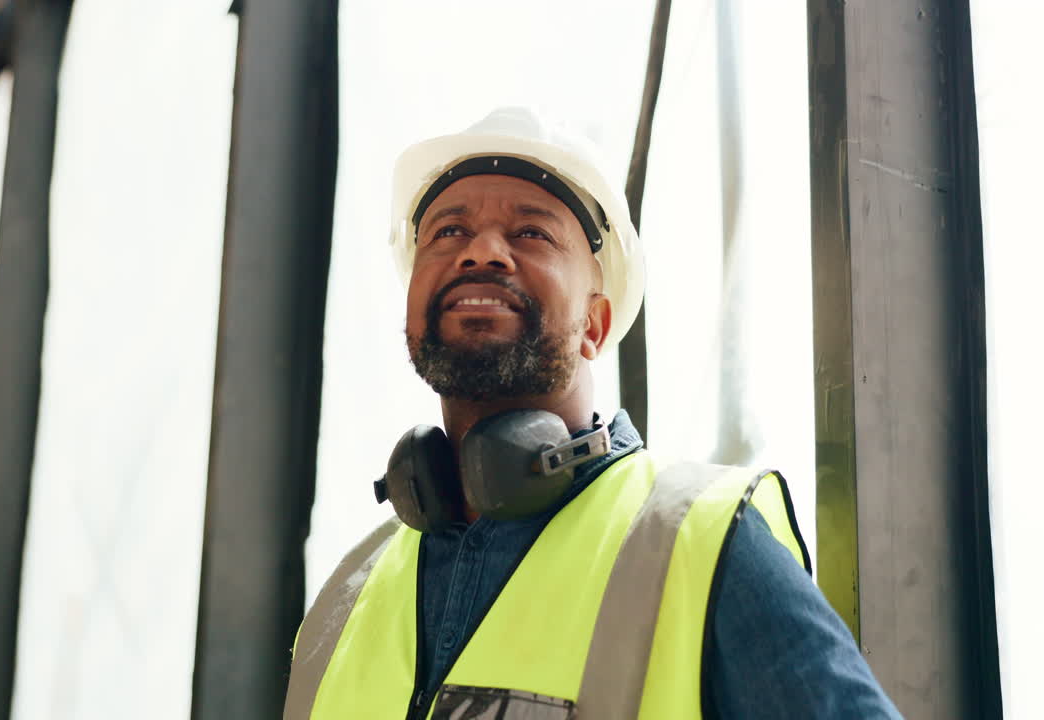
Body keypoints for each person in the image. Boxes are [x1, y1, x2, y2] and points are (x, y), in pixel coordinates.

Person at [282, 108, 902, 719]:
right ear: (414, 307)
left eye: (531, 233)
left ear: (595, 325)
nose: (482, 252)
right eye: (448, 232)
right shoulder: (345, 601)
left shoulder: (704, 546)